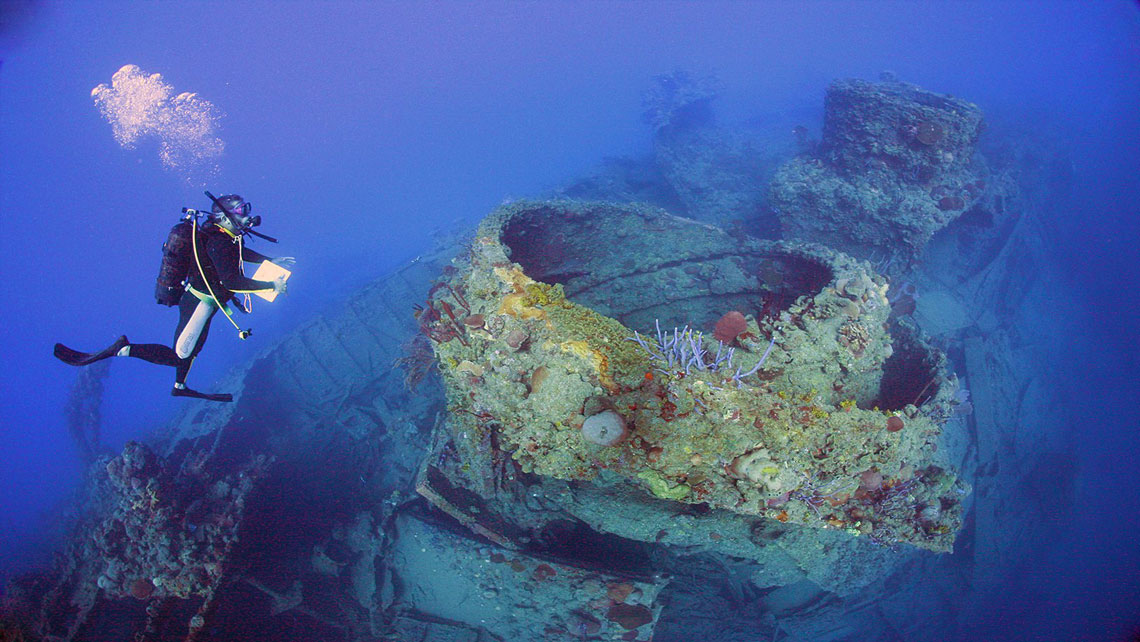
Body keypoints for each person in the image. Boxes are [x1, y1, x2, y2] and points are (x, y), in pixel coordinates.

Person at [54, 194, 293, 402]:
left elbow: (239, 253)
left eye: (246, 208)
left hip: (206, 302)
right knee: (179, 355)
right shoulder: (219, 241)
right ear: (224, 216)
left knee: (193, 349)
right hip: (200, 303)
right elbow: (232, 282)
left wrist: (268, 261)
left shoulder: (226, 236)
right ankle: (123, 348)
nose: (247, 214)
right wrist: (272, 284)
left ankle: (180, 386)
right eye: (241, 210)